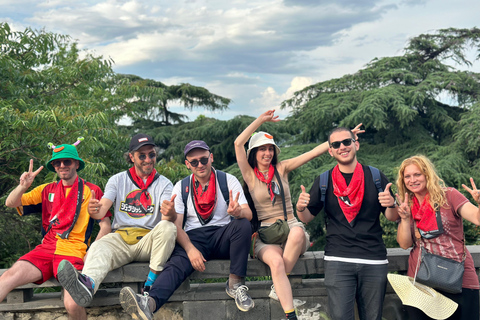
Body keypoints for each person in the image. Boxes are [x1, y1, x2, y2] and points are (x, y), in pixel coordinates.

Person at [233, 110, 362, 320]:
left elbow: (312, 152)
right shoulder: (249, 175)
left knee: (297, 234)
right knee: (276, 264)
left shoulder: (281, 169)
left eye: (270, 149)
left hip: (292, 226)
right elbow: (238, 143)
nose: (267, 153)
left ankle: (278, 284)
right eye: (262, 149)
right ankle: (290, 314)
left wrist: (343, 139)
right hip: (266, 234)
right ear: (254, 153)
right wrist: (261, 120)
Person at [120, 140, 254, 320]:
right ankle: (149, 304)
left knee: (243, 224)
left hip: (222, 235)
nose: (200, 165)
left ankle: (236, 285)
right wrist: (190, 250)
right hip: (194, 239)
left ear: (211, 158)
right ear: (187, 164)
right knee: (176, 265)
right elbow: (177, 226)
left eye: (204, 160)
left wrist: (238, 212)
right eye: (194, 162)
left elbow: (249, 214)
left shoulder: (227, 180)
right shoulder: (181, 186)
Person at [57, 133, 177, 308]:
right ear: (131, 157)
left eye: (151, 154)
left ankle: (150, 285)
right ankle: (88, 285)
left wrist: (171, 213)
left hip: (148, 241)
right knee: (98, 246)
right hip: (121, 238)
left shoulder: (164, 184)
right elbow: (102, 210)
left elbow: (168, 219)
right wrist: (94, 211)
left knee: (168, 228)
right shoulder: (117, 180)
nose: (148, 159)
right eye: (141, 155)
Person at [296, 126, 399, 320]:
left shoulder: (376, 177)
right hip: (338, 260)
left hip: (373, 259)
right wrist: (300, 208)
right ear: (330, 151)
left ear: (356, 144)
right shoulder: (324, 180)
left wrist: (392, 204)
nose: (342, 147)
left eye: (346, 142)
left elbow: (392, 217)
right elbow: (307, 218)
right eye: (336, 144)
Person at [2, 142, 106, 320]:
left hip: (73, 250)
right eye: (58, 163)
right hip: (46, 248)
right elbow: (10, 203)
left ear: (77, 164)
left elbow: (105, 225)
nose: (62, 166)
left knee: (72, 304)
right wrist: (23, 186)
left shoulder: (92, 190)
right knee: (8, 276)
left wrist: (93, 251)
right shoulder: (46, 190)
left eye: (67, 161)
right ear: (54, 167)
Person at [395, 155, 480, 320]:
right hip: (421, 281)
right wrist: (405, 218)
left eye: (417, 174)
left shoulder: (449, 196)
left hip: (458, 277)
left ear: (427, 175)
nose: (412, 180)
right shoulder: (407, 204)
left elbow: (477, 218)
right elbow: (405, 244)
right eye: (408, 176)